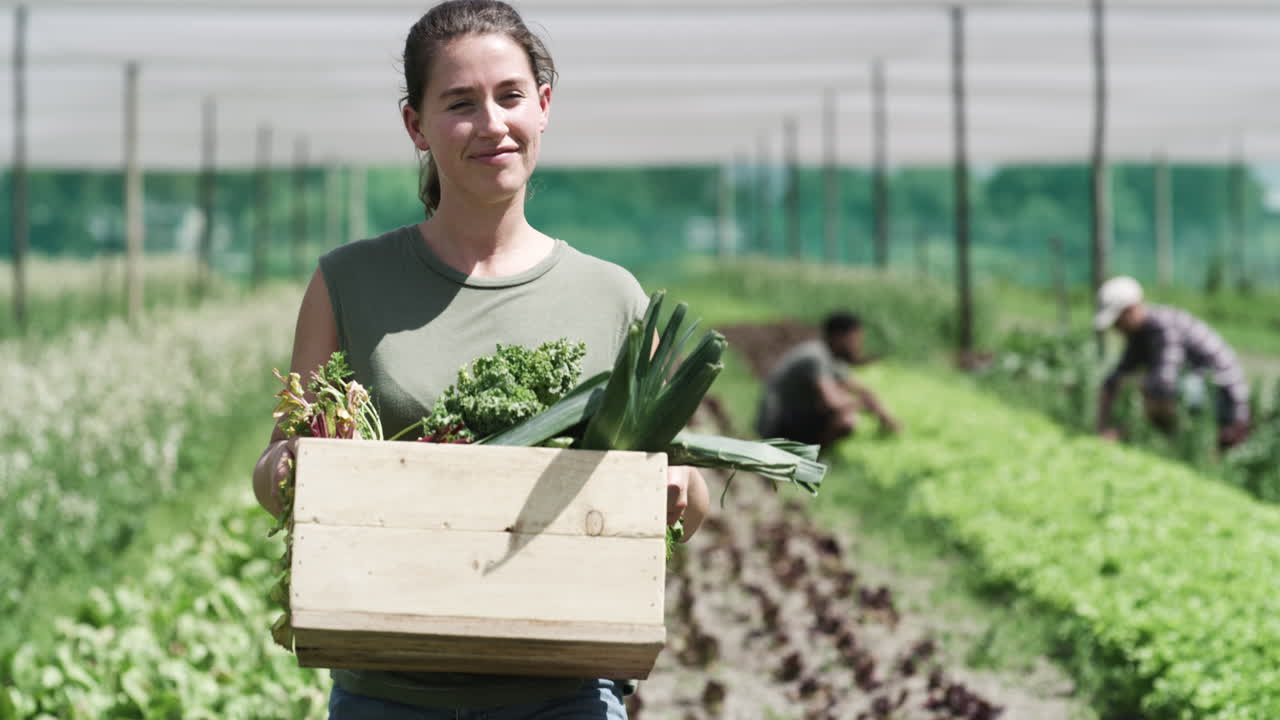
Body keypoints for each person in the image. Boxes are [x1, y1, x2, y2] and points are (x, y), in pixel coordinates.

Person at [250, 2, 709, 717]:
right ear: (416, 126)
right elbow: (275, 465)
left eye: (510, 96)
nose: (492, 124)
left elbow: (685, 484)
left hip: (565, 692)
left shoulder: (612, 296)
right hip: (388, 689)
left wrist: (680, 490)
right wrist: (294, 469)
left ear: (544, 106)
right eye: (460, 104)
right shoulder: (350, 282)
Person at [1094, 275, 1251, 450]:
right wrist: (1101, 427)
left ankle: (1182, 445)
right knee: (1149, 389)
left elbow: (1163, 384)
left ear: (1131, 310)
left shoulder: (1163, 327)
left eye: (1117, 322)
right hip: (1202, 388)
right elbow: (1114, 379)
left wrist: (1121, 432)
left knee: (1155, 393)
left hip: (1224, 395)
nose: (1116, 329)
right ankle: (1176, 444)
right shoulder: (1139, 336)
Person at [753, 311, 900, 451]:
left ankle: (808, 454)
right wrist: (863, 404)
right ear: (839, 337)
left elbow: (861, 389)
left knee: (843, 404)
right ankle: (809, 457)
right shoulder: (815, 357)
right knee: (845, 419)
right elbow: (831, 402)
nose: (858, 346)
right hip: (774, 426)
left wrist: (883, 415)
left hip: (792, 420)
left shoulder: (831, 357)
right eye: (854, 340)